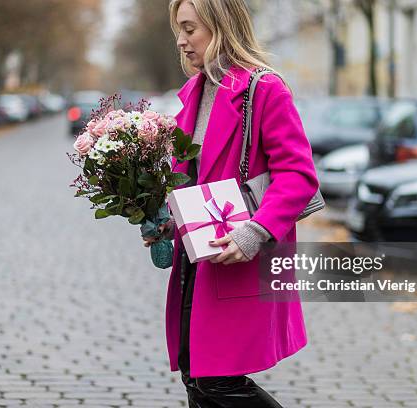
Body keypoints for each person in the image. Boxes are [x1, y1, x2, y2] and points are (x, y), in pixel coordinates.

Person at [143, 0, 319, 406]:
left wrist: (255, 232)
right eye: (178, 30)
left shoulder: (264, 88)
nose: (181, 41)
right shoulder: (193, 91)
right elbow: (191, 177)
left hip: (241, 255)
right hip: (198, 257)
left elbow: (298, 175)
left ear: (220, 25)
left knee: (219, 381)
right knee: (195, 375)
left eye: (190, 29)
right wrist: (170, 221)